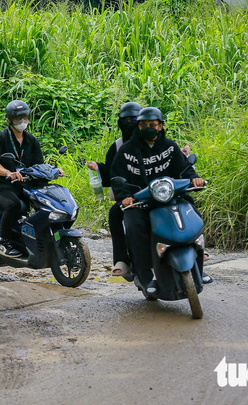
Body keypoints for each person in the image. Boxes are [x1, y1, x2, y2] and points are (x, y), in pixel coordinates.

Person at [111, 106, 205, 296]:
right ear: (138, 126)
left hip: (170, 197)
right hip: (141, 201)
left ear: (160, 126)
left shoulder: (170, 147)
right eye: (143, 125)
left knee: (192, 211)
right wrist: (125, 197)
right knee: (134, 226)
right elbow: (117, 175)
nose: (148, 128)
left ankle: (198, 254)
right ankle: (146, 275)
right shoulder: (127, 150)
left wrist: (194, 177)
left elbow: (183, 169)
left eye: (152, 124)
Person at [0, 99, 52, 258]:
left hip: (23, 186)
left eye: (24, 117)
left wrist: (54, 170)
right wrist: (8, 173)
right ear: (9, 119)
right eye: (17, 118)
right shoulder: (0, 138)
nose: (22, 122)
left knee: (43, 202)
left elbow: (39, 165)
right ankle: (3, 241)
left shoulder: (31, 140)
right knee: (14, 205)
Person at [86, 102, 141, 277]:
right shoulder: (117, 147)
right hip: (128, 197)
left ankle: (193, 247)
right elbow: (111, 173)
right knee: (115, 214)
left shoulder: (153, 141)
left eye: (134, 119)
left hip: (155, 194)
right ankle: (122, 260)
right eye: (125, 120)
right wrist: (98, 168)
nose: (129, 123)